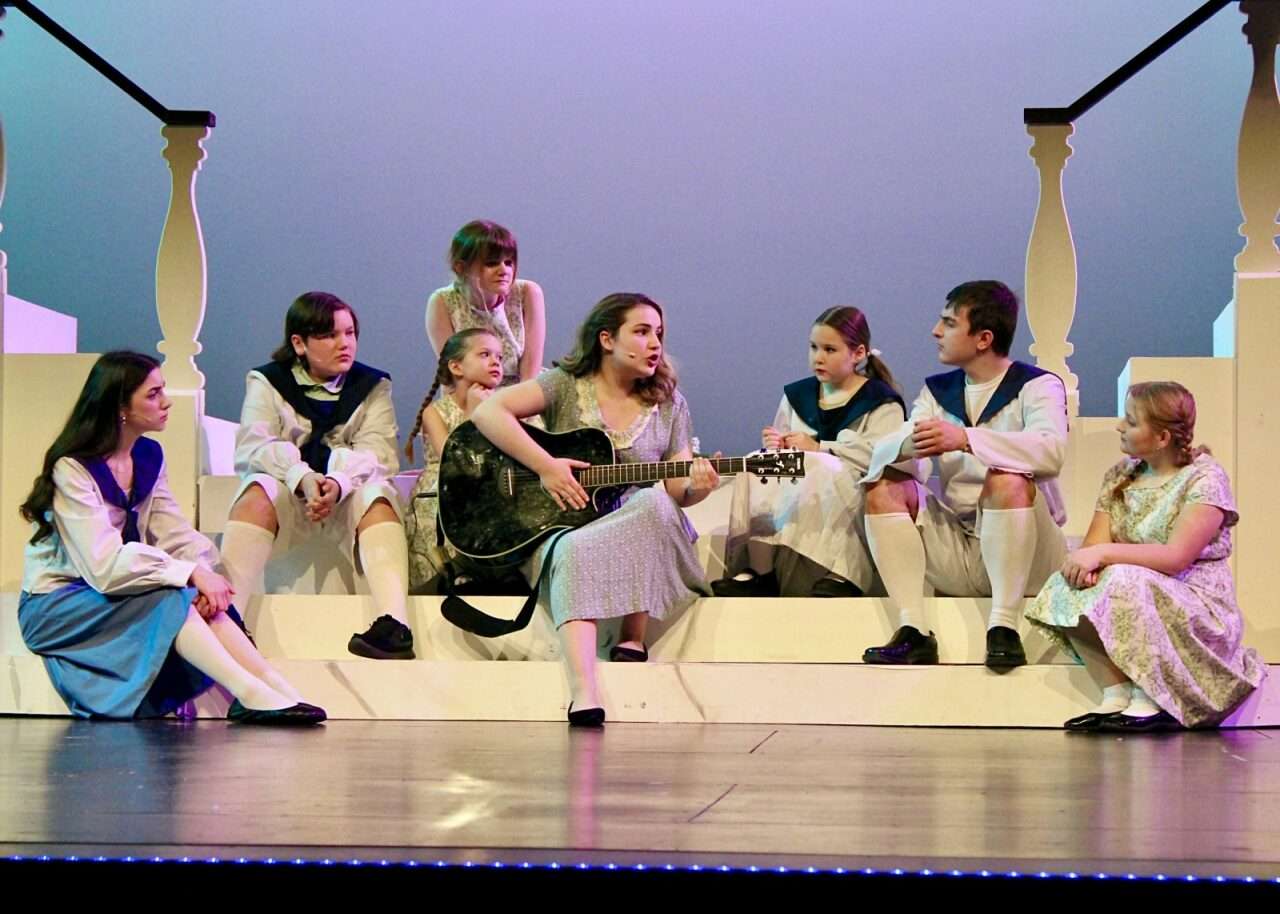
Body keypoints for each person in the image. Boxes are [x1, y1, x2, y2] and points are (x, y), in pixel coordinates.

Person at [18, 351, 324, 725]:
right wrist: (189, 572)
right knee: (171, 596)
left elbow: (172, 530)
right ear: (120, 407)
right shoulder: (74, 468)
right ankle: (248, 692)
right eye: (152, 394)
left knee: (193, 595)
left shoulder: (146, 455)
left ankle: (270, 683)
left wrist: (207, 573)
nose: (166, 401)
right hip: (58, 606)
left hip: (106, 595)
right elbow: (103, 566)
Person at [471, 293, 718, 727]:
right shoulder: (565, 385)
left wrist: (699, 488)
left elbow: (677, 490)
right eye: (641, 332)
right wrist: (546, 466)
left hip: (642, 520)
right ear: (606, 338)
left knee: (654, 500)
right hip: (571, 522)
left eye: (658, 333)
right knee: (570, 549)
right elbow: (489, 411)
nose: (655, 343)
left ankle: (633, 634)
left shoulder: (669, 403)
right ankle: (584, 692)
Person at [1026, 382, 1265, 732]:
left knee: (1123, 578)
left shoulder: (1204, 477)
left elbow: (1176, 557)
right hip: (1138, 590)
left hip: (1196, 603)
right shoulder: (1120, 476)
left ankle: (1151, 697)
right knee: (1064, 587)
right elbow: (1093, 545)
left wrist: (1104, 555)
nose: (1120, 427)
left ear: (1163, 437)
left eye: (1131, 421)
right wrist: (1087, 567)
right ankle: (1116, 693)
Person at [859, 280, 1069, 670]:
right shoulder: (937, 393)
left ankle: (1004, 626)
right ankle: (914, 631)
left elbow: (1050, 451)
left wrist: (966, 439)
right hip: (964, 547)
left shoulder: (1037, 385)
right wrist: (910, 445)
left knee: (1006, 479)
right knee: (883, 487)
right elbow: (903, 451)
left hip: (1031, 552)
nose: (935, 332)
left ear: (983, 338)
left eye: (949, 323)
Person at [220, 291, 414, 660]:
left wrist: (339, 482)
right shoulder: (268, 381)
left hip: (345, 501)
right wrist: (301, 477)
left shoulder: (372, 386)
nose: (345, 343)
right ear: (299, 343)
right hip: (291, 500)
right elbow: (253, 445)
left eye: (350, 333)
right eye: (329, 335)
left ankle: (394, 624)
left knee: (377, 492)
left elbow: (380, 452)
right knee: (257, 487)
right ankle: (229, 620)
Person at [713, 306, 904, 598]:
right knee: (758, 464)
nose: (818, 357)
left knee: (823, 466)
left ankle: (843, 572)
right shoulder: (797, 396)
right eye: (814, 347)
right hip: (799, 493)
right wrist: (776, 444)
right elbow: (783, 441)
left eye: (829, 349)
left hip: (852, 489)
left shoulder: (880, 401)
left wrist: (821, 447)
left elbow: (885, 455)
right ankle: (760, 571)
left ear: (858, 353)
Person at [403, 328, 505, 591]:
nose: (496, 361)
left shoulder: (506, 406)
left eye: (500, 357)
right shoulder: (434, 412)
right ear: (456, 367)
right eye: (485, 354)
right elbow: (454, 460)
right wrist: (474, 413)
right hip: (442, 495)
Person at [425, 220, 546, 386]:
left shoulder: (528, 292)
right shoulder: (442, 301)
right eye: (492, 263)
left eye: (509, 262)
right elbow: (453, 373)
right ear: (461, 268)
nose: (504, 270)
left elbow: (531, 365)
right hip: (471, 396)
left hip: (523, 392)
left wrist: (520, 405)